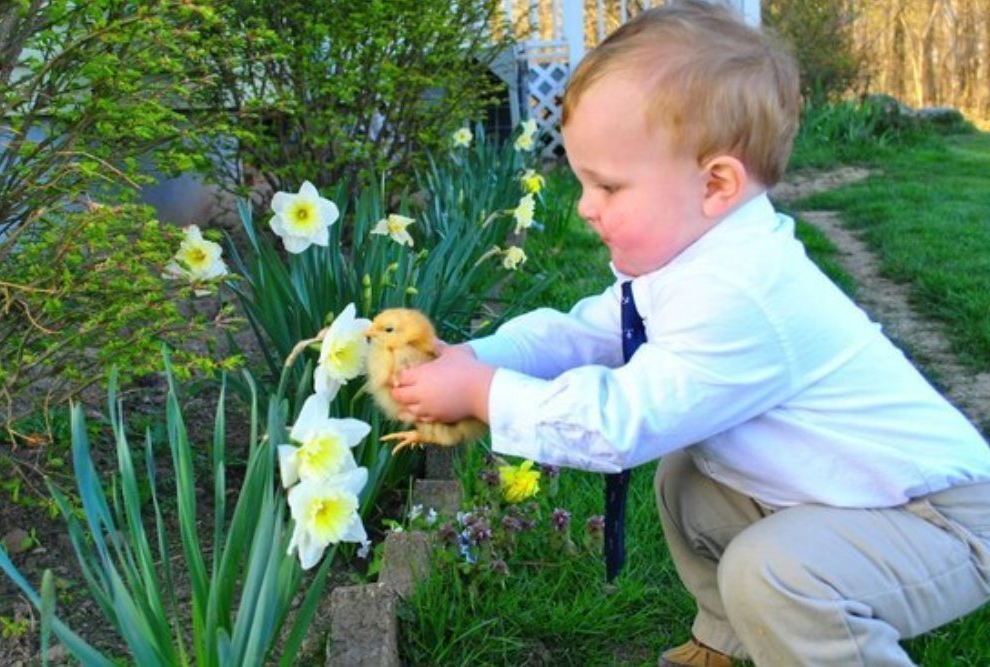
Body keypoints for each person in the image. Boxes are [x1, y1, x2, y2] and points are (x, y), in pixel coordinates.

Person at [389, 2, 990, 665]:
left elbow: (621, 424)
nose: (584, 206)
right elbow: (582, 334)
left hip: (937, 519)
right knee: (688, 481)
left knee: (775, 573)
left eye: (608, 186)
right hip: (854, 496)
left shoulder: (743, 294)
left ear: (715, 184)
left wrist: (483, 392)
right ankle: (722, 645)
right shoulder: (694, 258)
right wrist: (476, 356)